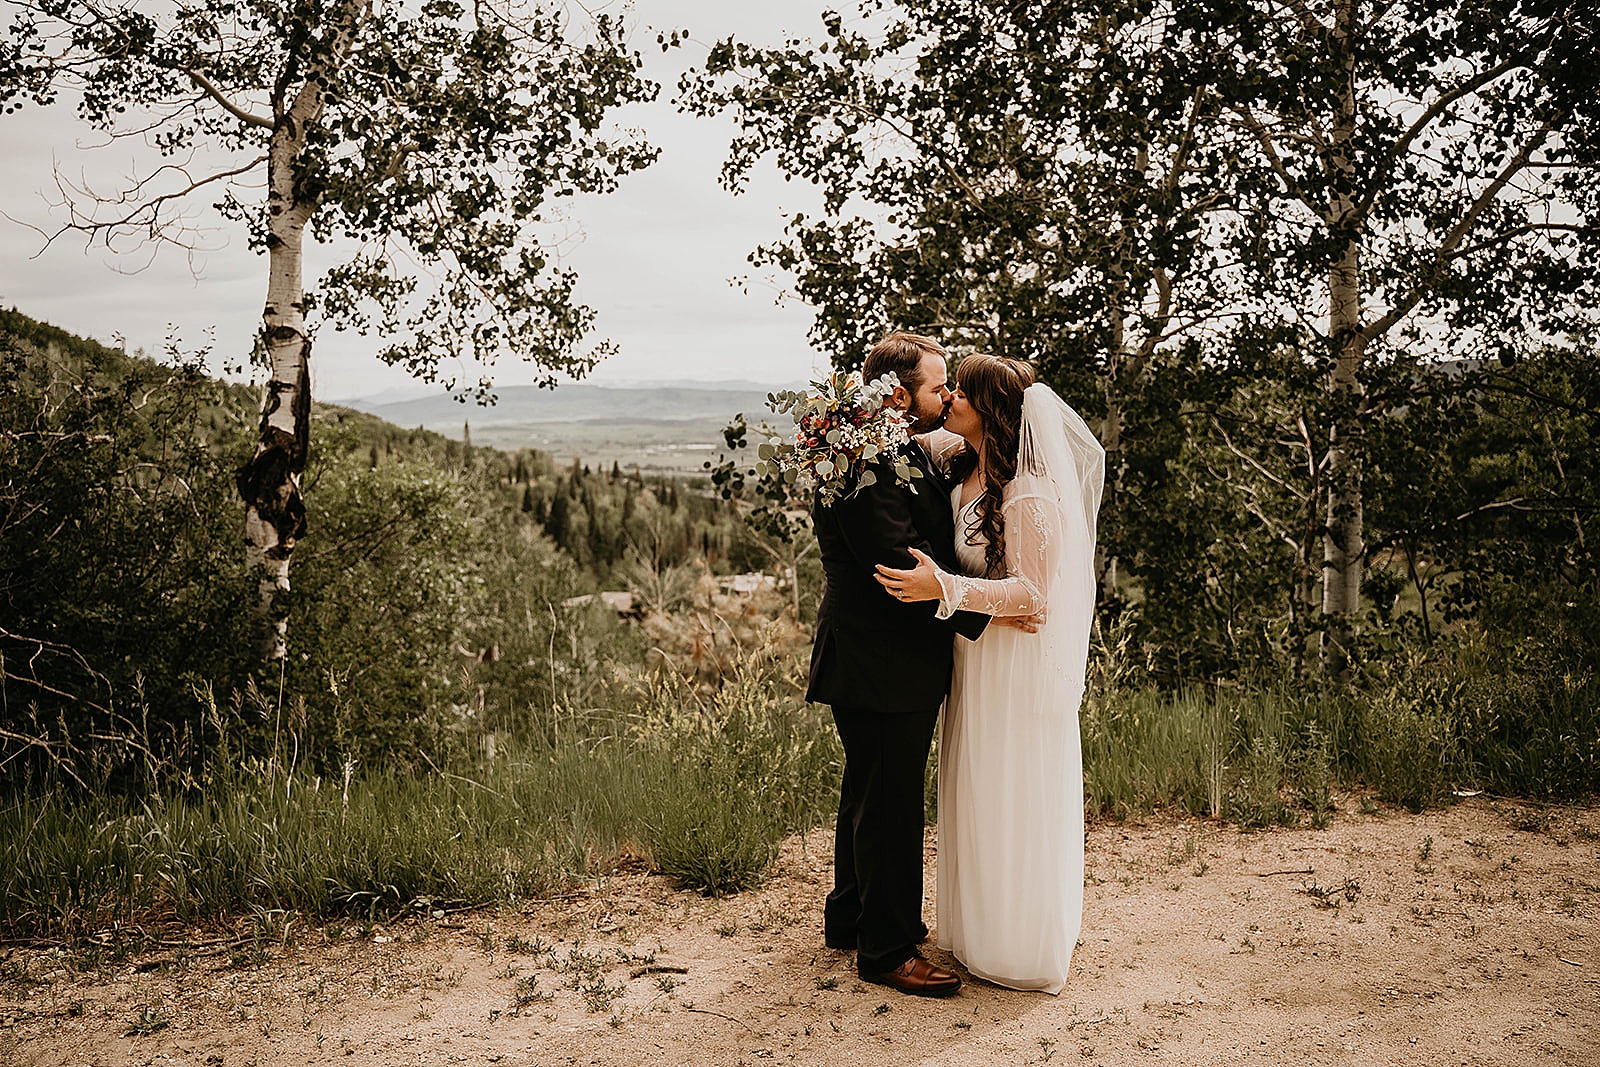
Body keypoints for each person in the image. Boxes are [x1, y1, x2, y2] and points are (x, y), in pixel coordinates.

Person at [874, 353, 1104, 994]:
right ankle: (976, 930)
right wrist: (845, 415)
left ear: (990, 409)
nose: (948, 399)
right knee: (973, 789)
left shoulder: (1027, 490)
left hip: (1010, 665)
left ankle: (1016, 943)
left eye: (960, 393)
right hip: (972, 659)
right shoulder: (964, 463)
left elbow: (1033, 595)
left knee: (1010, 790)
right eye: (946, 389)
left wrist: (943, 587)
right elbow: (893, 431)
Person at [806, 331, 992, 997]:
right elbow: (899, 562)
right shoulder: (863, 459)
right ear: (898, 395)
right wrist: (988, 608)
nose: (948, 396)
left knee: (869, 787)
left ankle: (851, 915)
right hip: (880, 655)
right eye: (939, 387)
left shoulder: (885, 446)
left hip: (872, 653)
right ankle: (887, 948)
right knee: (890, 801)